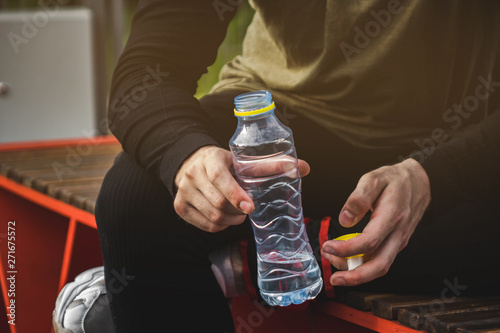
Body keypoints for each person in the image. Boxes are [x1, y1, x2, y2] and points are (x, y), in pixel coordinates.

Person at [95, 1, 500, 332]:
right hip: (277, 121)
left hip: (450, 136)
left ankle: (243, 265)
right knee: (135, 199)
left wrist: (435, 174)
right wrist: (187, 155)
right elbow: (147, 69)